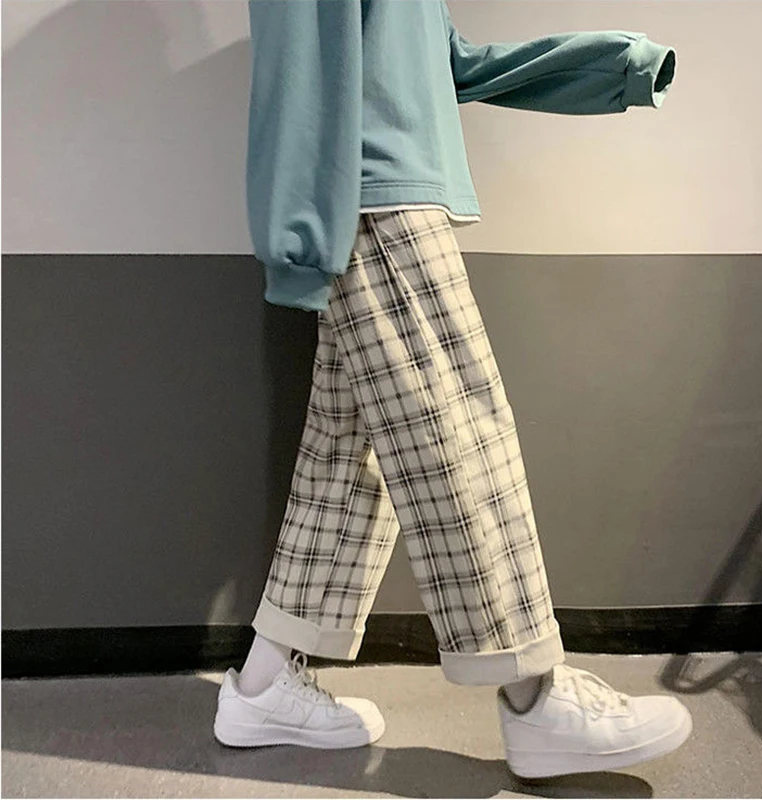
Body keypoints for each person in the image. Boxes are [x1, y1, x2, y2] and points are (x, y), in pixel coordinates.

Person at [214, 0, 690, 779]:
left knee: (349, 461)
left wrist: (609, 66)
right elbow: (299, 70)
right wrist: (300, 238)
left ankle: (262, 686)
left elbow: (445, 65)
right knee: (460, 438)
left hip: (381, 197)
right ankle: (536, 700)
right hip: (370, 202)